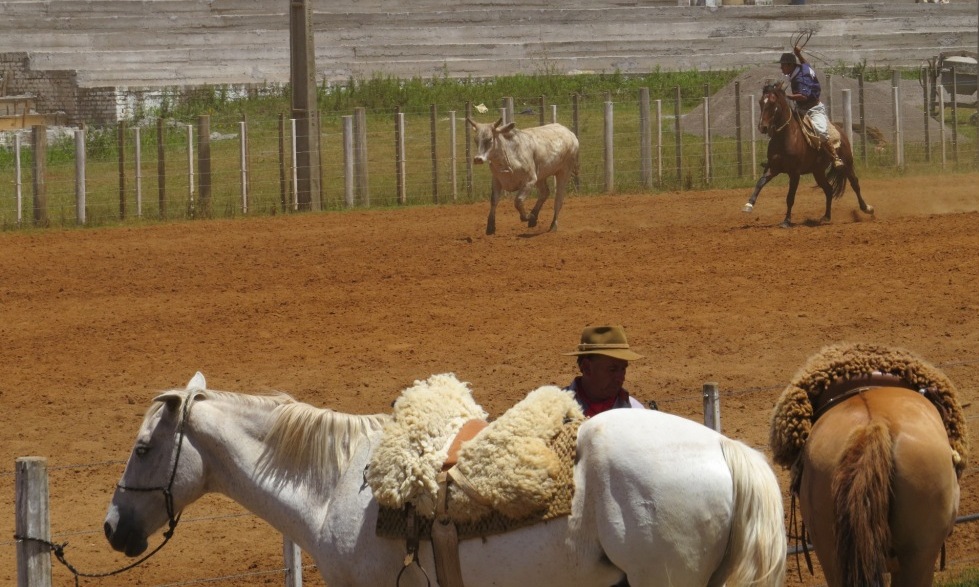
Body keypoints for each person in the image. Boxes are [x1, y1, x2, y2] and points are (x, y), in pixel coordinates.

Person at [778, 46, 844, 169]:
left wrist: (786, 95)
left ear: (790, 65)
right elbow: (805, 63)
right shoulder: (802, 67)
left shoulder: (800, 78)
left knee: (821, 132)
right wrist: (799, 54)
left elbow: (803, 96)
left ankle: (835, 157)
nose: (781, 67)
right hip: (801, 109)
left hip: (813, 109)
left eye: (783, 65)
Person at [564, 325, 646, 417]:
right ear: (586, 367)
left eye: (623, 369)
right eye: (612, 369)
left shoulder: (636, 412)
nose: (621, 378)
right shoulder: (552, 410)